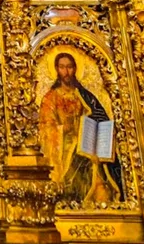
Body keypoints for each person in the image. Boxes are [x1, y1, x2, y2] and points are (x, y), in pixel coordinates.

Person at [39, 52, 122, 204]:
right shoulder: (51, 98)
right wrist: (64, 128)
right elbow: (46, 126)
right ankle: (74, 198)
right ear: (57, 69)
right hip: (64, 145)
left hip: (87, 142)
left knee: (94, 161)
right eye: (62, 67)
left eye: (70, 67)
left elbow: (99, 116)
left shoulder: (84, 95)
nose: (66, 72)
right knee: (79, 154)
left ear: (75, 69)